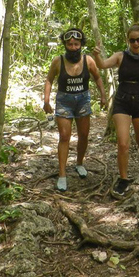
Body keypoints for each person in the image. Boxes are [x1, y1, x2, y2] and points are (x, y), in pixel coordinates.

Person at [93, 24, 139, 197]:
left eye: (138, 39)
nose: (135, 43)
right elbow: (102, 65)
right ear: (128, 40)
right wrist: (96, 55)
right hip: (122, 102)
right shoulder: (120, 56)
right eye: (132, 40)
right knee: (123, 143)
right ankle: (124, 179)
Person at [43, 28, 106, 192]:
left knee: (84, 134)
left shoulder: (88, 60)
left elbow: (97, 77)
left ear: (81, 45)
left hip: (83, 100)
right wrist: (46, 100)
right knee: (64, 136)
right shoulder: (58, 61)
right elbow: (49, 80)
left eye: (76, 44)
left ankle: (79, 163)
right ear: (65, 44)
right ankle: (62, 174)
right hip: (64, 101)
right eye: (69, 44)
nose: (72, 47)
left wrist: (103, 96)